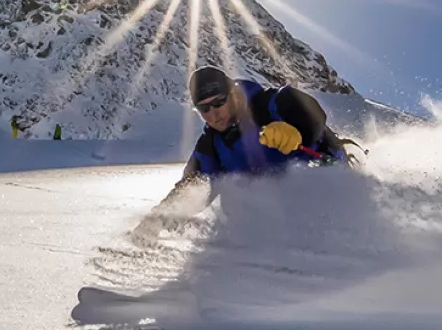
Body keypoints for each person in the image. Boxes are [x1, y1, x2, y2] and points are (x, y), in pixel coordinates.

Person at [138, 65, 350, 234]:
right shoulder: (210, 145)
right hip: (278, 223)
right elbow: (190, 187)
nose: (213, 114)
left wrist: (299, 131)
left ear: (233, 95)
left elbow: (308, 110)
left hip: (329, 187)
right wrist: (158, 218)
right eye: (204, 108)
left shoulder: (266, 105)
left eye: (219, 102)